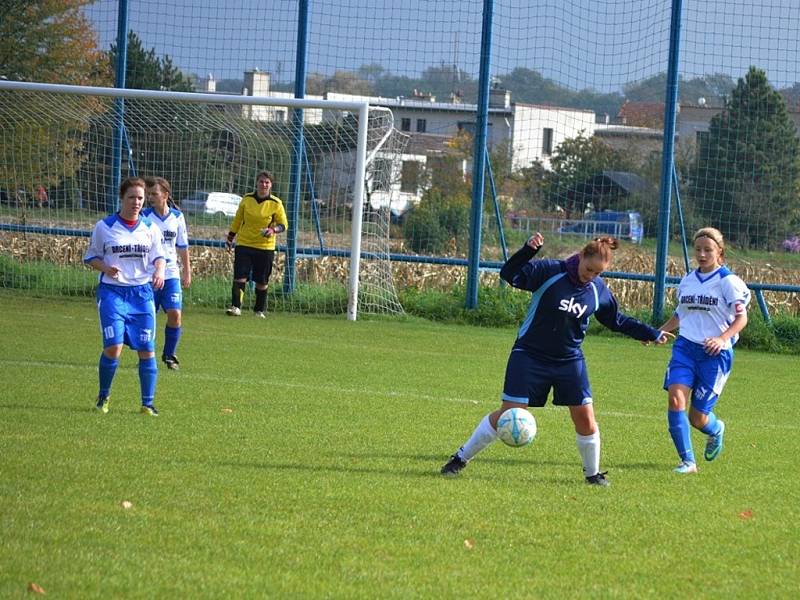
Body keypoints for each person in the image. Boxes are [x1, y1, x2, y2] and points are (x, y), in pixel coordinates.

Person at [440, 233, 672, 486]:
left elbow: (617, 320)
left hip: (569, 361)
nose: (590, 276)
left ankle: (592, 474)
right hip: (529, 355)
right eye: (589, 269)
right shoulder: (550, 271)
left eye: (597, 273)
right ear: (581, 256)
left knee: (585, 417)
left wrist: (651, 333)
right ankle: (460, 458)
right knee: (510, 414)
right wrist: (528, 251)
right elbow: (509, 274)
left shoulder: (597, 290)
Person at [658, 227, 750, 474]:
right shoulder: (688, 280)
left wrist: (722, 339)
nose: (701, 254)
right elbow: (680, 314)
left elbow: (741, 320)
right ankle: (687, 462)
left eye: (707, 250)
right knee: (676, 398)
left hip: (715, 356)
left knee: (697, 418)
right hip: (685, 348)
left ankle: (716, 429)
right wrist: (660, 331)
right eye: (698, 249)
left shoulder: (728, 282)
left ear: (720, 252)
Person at [83, 177, 166, 416]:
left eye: (141, 198)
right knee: (114, 347)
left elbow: (159, 257)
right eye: (132, 197)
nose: (137, 202)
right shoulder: (105, 226)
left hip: (141, 294)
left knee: (147, 349)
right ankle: (103, 397)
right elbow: (91, 258)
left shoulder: (150, 228)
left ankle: (147, 404)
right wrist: (106, 268)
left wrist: (159, 271)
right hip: (113, 293)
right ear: (122, 198)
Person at [224, 170, 288, 318]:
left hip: (265, 246)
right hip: (244, 243)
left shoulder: (276, 203)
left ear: (271, 185)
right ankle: (236, 307)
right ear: (256, 183)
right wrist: (230, 238)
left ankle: (259, 310)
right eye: (261, 181)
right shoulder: (246, 199)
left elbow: (283, 225)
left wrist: (273, 230)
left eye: (267, 182)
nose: (264, 185)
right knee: (240, 276)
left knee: (262, 279)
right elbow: (238, 220)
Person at [143, 176, 192, 370]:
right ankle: (147, 354)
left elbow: (182, 246)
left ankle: (169, 354)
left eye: (154, 194)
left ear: (165, 195)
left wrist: (187, 271)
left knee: (175, 314)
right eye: (149, 194)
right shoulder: (144, 217)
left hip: (171, 273)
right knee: (148, 316)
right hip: (149, 274)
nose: (150, 198)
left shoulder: (177, 217)